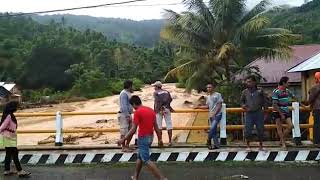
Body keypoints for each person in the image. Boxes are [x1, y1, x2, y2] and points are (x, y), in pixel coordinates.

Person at [117, 96, 167, 180]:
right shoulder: (150, 110)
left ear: (133, 104)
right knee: (140, 157)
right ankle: (135, 176)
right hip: (151, 137)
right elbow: (156, 127)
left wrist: (123, 139)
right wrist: (160, 139)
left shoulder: (137, 112)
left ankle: (162, 178)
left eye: (132, 105)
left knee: (146, 160)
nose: (132, 108)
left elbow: (133, 129)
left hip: (143, 138)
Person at [0, 101, 31, 177]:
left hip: (9, 137)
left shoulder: (8, 115)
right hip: (9, 137)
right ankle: (20, 171)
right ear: (12, 107)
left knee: (9, 153)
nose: (17, 108)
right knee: (14, 153)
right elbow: (2, 126)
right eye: (16, 107)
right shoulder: (9, 116)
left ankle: (7, 170)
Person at [240, 75, 268, 151]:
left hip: (259, 113)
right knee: (248, 130)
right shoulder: (244, 92)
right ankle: (248, 145)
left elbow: (265, 101)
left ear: (254, 82)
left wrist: (265, 111)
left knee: (260, 129)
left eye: (249, 82)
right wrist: (244, 106)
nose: (248, 83)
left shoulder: (260, 91)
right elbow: (242, 101)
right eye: (247, 82)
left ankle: (261, 145)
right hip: (249, 113)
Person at [196, 83, 223, 149]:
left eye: (210, 87)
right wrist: (198, 107)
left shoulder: (218, 95)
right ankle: (216, 145)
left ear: (213, 88)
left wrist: (215, 113)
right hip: (211, 115)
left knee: (212, 128)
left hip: (217, 115)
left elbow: (219, 105)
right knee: (213, 130)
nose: (208, 88)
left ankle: (208, 140)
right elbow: (207, 106)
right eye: (207, 87)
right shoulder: (208, 97)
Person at [272, 76, 296, 149]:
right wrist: (281, 114)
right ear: (284, 83)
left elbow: (294, 97)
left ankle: (281, 140)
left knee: (291, 126)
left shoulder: (287, 91)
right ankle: (283, 143)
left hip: (286, 110)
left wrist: (302, 105)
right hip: (277, 111)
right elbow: (274, 104)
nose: (289, 83)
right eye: (288, 82)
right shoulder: (276, 91)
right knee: (279, 128)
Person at [152, 81, 174, 146]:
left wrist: (159, 108)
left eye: (154, 86)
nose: (154, 88)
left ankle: (160, 140)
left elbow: (157, 101)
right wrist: (167, 106)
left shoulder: (156, 93)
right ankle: (170, 141)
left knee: (159, 126)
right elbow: (170, 99)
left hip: (159, 110)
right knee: (169, 125)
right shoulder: (167, 92)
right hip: (167, 108)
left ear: (156, 87)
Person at [118, 80, 134, 152]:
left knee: (131, 130)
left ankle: (127, 145)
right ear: (130, 86)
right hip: (124, 115)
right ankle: (123, 147)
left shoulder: (128, 93)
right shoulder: (124, 93)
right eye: (132, 86)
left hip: (128, 114)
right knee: (124, 131)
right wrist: (127, 116)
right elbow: (123, 105)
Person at [308, 72, 320, 146]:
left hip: (317, 108)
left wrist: (310, 105)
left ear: (316, 78)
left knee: (317, 125)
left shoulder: (314, 87)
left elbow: (310, 99)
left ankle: (317, 141)